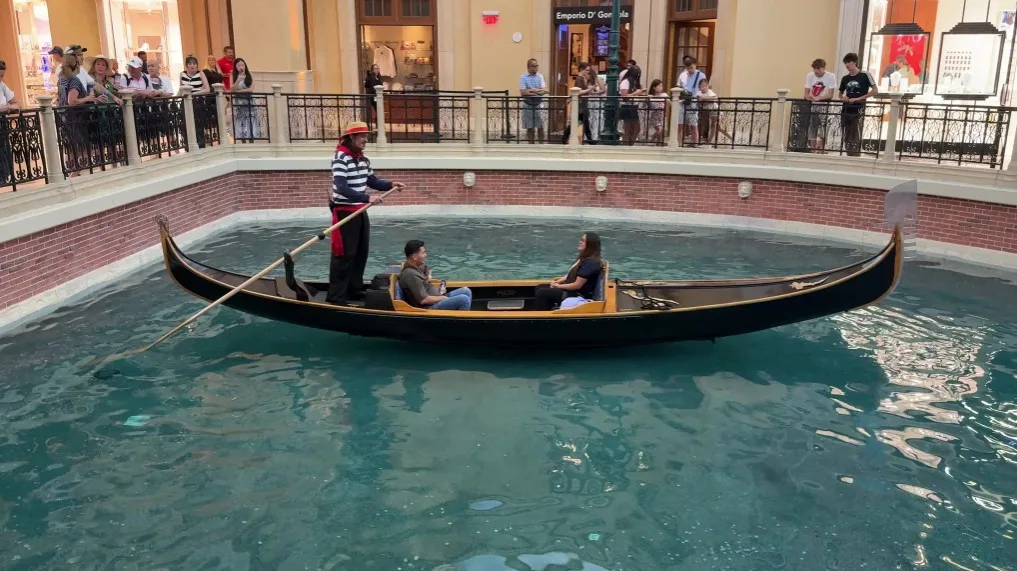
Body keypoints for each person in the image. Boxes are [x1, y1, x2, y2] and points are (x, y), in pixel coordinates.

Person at [327, 121, 406, 304]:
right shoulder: (340, 158)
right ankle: (336, 296)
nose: (365, 140)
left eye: (366, 136)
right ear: (352, 138)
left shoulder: (363, 159)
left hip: (360, 211)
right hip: (345, 212)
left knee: (361, 252)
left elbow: (372, 181)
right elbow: (341, 188)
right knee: (345, 256)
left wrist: (390, 184)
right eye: (362, 136)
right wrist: (367, 198)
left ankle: (354, 290)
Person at [534, 233, 603, 311]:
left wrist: (558, 286)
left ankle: (544, 316)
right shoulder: (583, 258)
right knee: (540, 287)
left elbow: (577, 285)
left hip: (576, 295)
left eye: (583, 241)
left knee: (542, 293)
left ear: (590, 245)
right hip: (571, 290)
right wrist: (558, 282)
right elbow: (569, 274)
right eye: (581, 240)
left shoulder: (590, 263)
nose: (580, 242)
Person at [398, 240, 473, 310]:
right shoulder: (411, 275)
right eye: (423, 253)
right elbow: (423, 300)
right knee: (464, 299)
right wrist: (443, 298)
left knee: (466, 290)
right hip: (429, 307)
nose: (426, 255)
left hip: (436, 297)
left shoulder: (414, 267)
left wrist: (435, 288)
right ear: (414, 257)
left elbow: (426, 269)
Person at [838, 52, 877, 157]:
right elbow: (840, 94)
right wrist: (843, 98)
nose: (847, 65)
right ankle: (848, 153)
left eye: (849, 62)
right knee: (846, 132)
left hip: (858, 107)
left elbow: (875, 90)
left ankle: (855, 154)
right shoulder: (845, 78)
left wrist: (859, 98)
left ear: (854, 62)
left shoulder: (865, 75)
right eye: (845, 63)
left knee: (855, 131)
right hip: (846, 108)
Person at [804, 58, 835, 153]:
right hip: (813, 105)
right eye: (815, 69)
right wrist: (811, 98)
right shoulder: (810, 75)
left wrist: (819, 98)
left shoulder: (830, 76)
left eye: (818, 69)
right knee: (812, 125)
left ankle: (821, 148)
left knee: (824, 126)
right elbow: (806, 93)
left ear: (823, 68)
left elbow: (830, 95)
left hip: (825, 105)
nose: (816, 71)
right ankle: (812, 148)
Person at [519, 58, 548, 144]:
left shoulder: (540, 76)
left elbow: (544, 90)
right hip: (527, 104)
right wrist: (536, 91)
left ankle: (541, 145)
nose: (536, 68)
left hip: (539, 104)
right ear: (528, 67)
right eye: (534, 66)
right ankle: (531, 145)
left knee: (541, 126)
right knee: (529, 127)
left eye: (537, 66)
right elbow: (523, 92)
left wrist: (531, 91)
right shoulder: (523, 77)